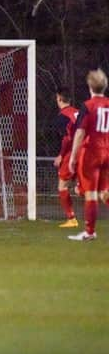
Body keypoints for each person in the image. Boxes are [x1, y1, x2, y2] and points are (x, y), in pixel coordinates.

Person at [67, 68, 109, 241]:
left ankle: (90, 232)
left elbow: (80, 133)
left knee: (91, 193)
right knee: (104, 193)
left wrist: (73, 157)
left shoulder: (88, 106)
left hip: (92, 152)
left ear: (90, 87)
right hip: (107, 152)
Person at [53, 88, 79, 227]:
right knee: (77, 187)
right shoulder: (78, 112)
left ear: (59, 99)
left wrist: (61, 156)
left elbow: (67, 139)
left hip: (72, 152)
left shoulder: (62, 116)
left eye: (57, 98)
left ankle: (71, 219)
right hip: (88, 149)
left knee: (62, 186)